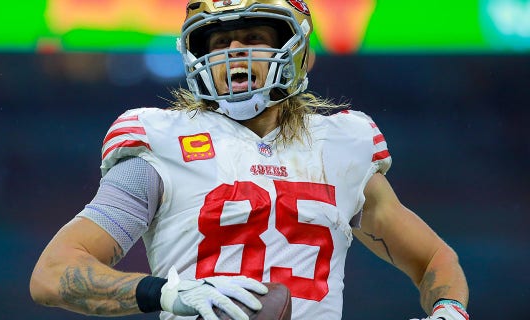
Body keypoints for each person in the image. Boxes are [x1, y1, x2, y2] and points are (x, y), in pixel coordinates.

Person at [29, 0, 469, 319]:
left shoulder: (341, 143)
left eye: (254, 37)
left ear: (297, 49)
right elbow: (54, 274)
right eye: (219, 41)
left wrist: (448, 310)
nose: (234, 51)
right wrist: (168, 294)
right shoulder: (163, 141)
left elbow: (433, 259)